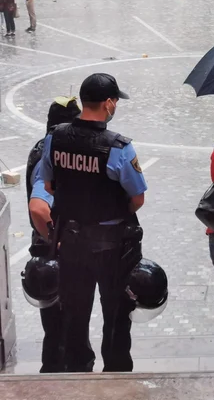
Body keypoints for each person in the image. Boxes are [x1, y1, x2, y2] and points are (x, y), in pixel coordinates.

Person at [40, 73, 148, 372]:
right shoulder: (118, 146)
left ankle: (78, 374)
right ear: (109, 103)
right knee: (115, 318)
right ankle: (115, 374)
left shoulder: (56, 137)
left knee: (75, 315)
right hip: (112, 247)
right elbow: (137, 198)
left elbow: (48, 186)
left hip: (71, 243)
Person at [27, 97, 82, 373]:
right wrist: (56, 238)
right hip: (53, 256)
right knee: (62, 333)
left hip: (45, 253)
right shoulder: (52, 155)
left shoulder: (41, 148)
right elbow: (39, 207)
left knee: (57, 331)